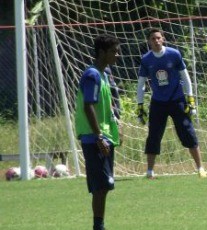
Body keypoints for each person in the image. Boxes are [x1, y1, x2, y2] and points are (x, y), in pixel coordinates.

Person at [136, 28, 207, 178]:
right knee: (154, 135)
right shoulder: (146, 59)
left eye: (158, 38)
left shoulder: (174, 54)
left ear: (163, 39)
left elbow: (185, 77)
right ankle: (150, 172)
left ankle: (200, 168)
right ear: (148, 42)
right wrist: (140, 105)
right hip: (158, 102)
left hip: (177, 100)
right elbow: (141, 83)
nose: (156, 41)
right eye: (153, 39)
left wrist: (191, 99)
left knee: (187, 132)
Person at [74, 34, 121, 230]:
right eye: (114, 51)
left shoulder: (104, 74)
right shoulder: (92, 75)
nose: (117, 55)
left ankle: (99, 225)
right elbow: (88, 106)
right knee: (100, 186)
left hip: (104, 136)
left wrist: (115, 130)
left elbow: (106, 108)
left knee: (104, 186)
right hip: (94, 139)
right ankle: (98, 226)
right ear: (102, 52)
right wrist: (99, 136)